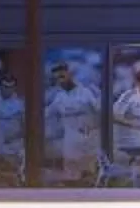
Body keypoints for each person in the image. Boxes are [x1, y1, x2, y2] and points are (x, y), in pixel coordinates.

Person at [43, 56, 102, 184]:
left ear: (69, 75)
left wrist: (92, 128)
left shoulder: (87, 92)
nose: (60, 81)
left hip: (89, 140)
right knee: (72, 177)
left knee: (90, 176)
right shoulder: (59, 97)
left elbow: (100, 113)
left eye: (62, 77)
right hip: (70, 141)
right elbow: (46, 114)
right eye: (57, 79)